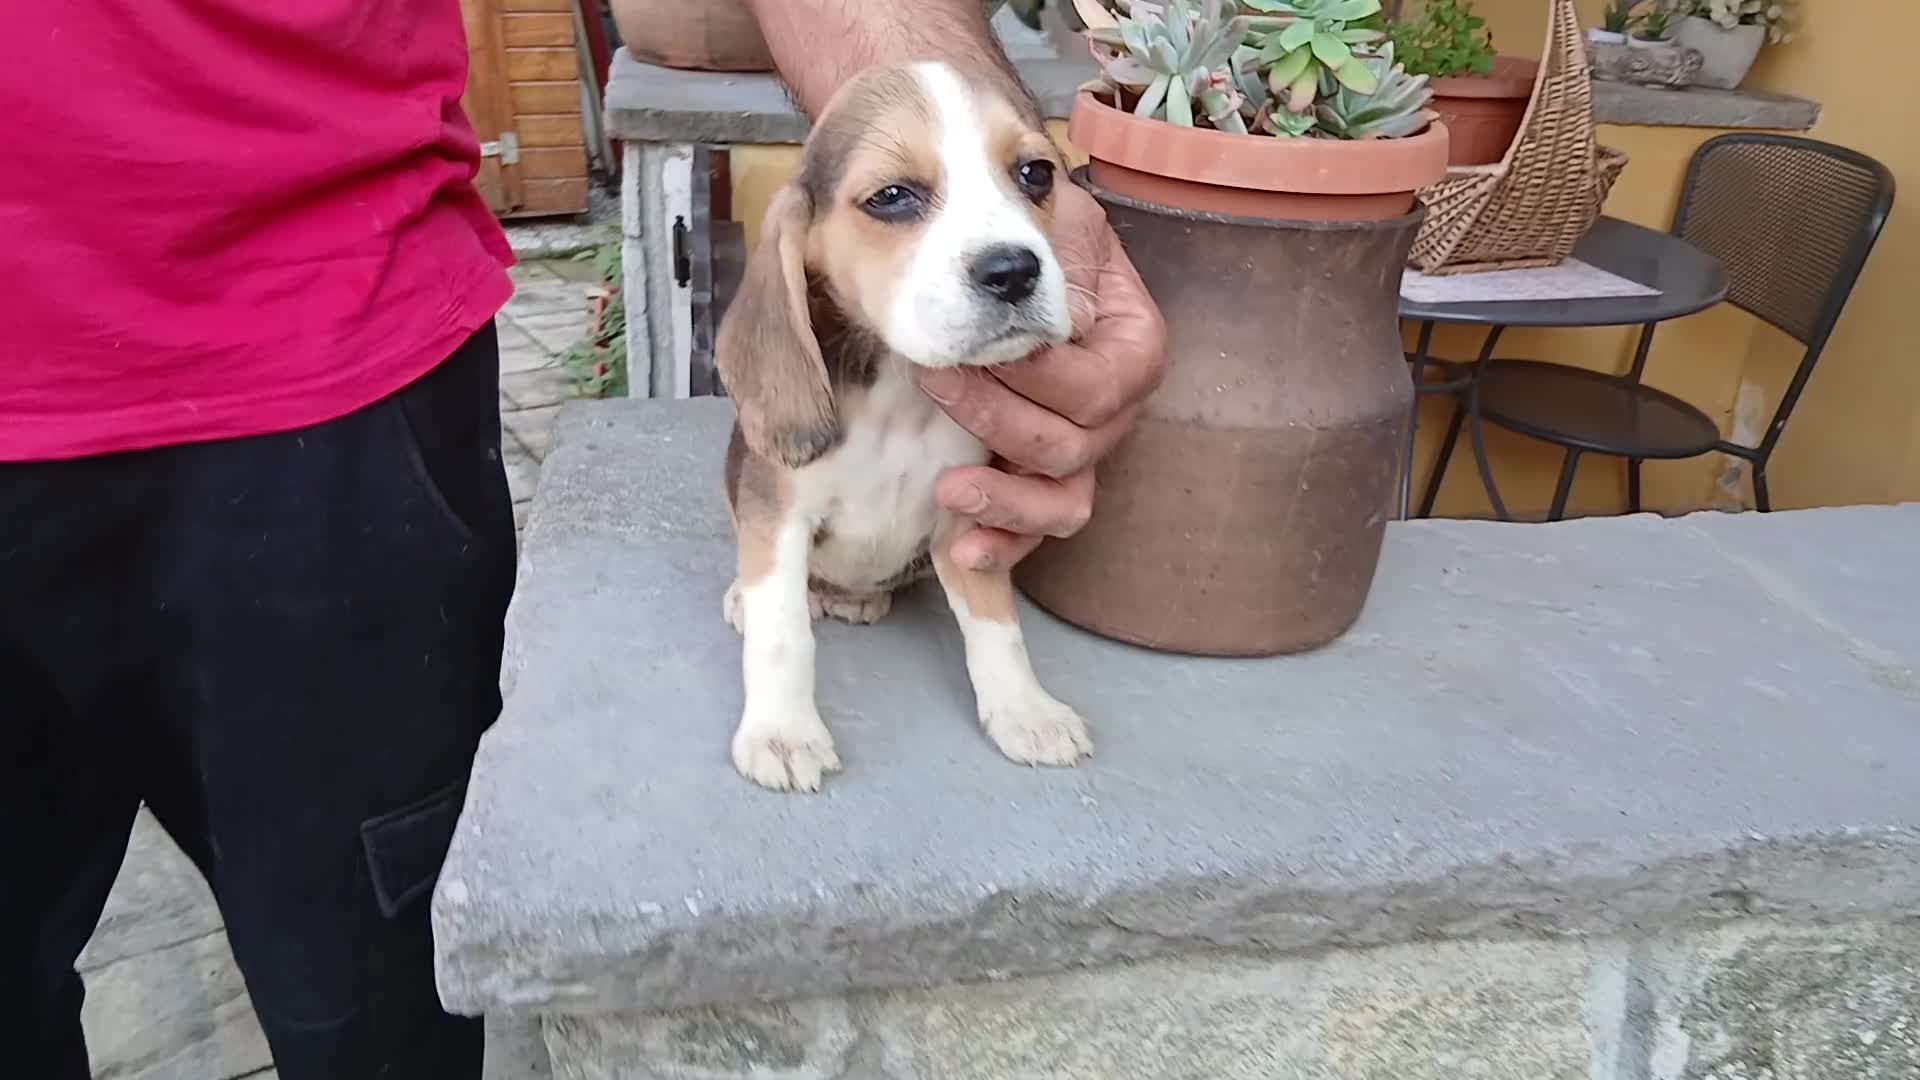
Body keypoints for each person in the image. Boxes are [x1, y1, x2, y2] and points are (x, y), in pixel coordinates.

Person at [0, 1, 1165, 1077]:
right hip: (291, 369)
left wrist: (934, 126)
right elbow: (772, 497)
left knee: (367, 999)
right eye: (900, 198)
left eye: (1028, 177)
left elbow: (971, 490)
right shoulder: (799, 340)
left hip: (310, 373)